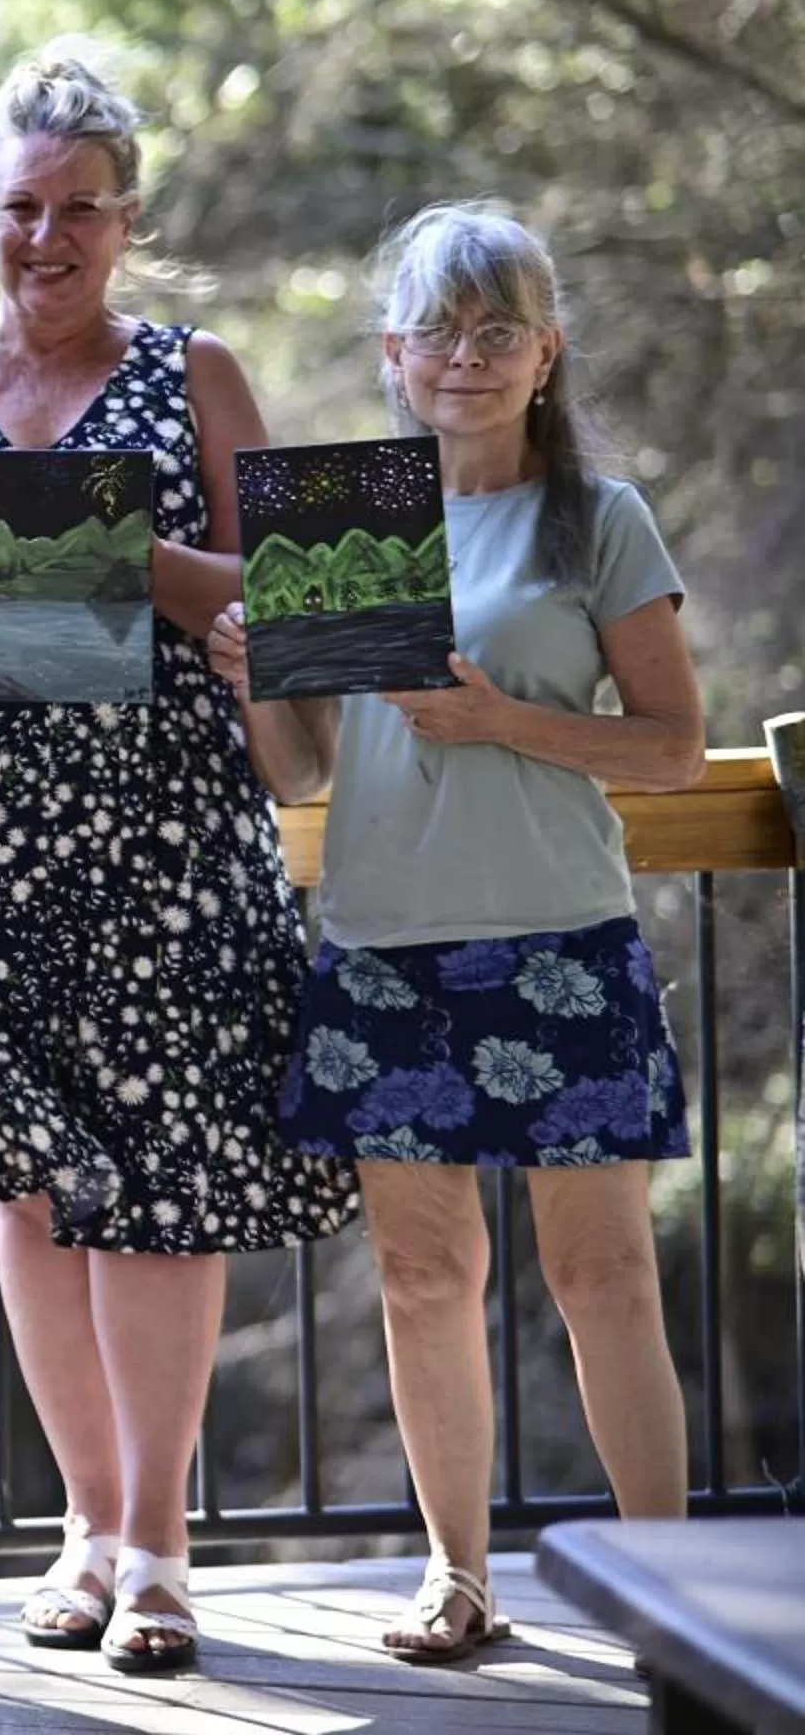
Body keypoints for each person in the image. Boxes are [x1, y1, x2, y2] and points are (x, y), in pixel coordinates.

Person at [0, 46, 360, 1675]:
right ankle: (83, 1530)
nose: (48, 235)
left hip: (168, 837)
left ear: (127, 222)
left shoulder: (199, 373)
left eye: (82, 209)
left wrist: (139, 563)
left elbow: (316, 609)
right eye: (22, 207)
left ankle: (159, 1549)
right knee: (32, 1186)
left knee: (162, 1194)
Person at [210, 202, 703, 1665]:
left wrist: (504, 722)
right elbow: (297, 773)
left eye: (499, 332)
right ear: (394, 357)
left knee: (602, 1280)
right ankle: (456, 1576)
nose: (467, 358)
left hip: (564, 943)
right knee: (427, 1280)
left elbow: (674, 750)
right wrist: (249, 669)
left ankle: (671, 1594)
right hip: (380, 950)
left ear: (546, 352)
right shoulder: (342, 525)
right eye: (440, 332)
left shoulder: (598, 522)